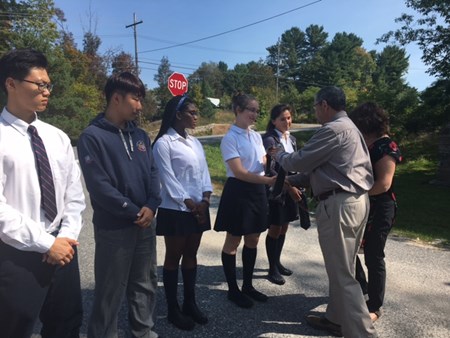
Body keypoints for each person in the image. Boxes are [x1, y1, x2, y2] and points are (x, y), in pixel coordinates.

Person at [272, 86, 377, 337]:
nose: (315, 112)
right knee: (343, 268)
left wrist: (280, 155)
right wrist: (294, 181)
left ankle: (362, 333)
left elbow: (298, 160)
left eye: (315, 107)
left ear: (325, 105)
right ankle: (336, 319)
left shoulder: (333, 129)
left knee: (343, 275)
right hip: (353, 201)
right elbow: (324, 170)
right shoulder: (349, 128)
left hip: (340, 205)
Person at [0, 49, 86, 338]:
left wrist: (65, 237)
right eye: (39, 84)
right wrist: (45, 243)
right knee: (14, 327)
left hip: (63, 249)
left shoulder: (57, 137)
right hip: (17, 255)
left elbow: (74, 196)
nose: (47, 91)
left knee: (67, 325)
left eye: (48, 85)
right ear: (11, 84)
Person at [77, 72, 161, 338]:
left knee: (145, 284)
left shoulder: (141, 136)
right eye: (136, 99)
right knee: (110, 290)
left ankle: (143, 333)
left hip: (145, 224)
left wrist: (151, 204)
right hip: (114, 228)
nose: (140, 106)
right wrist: (134, 211)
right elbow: (99, 187)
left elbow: (153, 172)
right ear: (116, 98)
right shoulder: (92, 136)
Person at [153, 95, 213, 331]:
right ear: (178, 115)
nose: (196, 117)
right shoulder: (164, 143)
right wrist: (190, 203)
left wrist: (206, 199)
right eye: (192, 113)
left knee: (191, 254)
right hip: (176, 209)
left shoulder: (195, 142)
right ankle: (172, 308)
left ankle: (190, 303)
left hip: (199, 207)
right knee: (173, 257)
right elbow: (167, 179)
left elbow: (204, 173)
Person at [214, 93, 276, 309]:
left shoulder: (256, 136)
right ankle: (233, 290)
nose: (255, 114)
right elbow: (239, 172)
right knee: (233, 240)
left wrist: (273, 161)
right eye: (251, 109)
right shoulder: (230, 138)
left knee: (253, 238)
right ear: (238, 110)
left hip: (257, 190)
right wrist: (267, 179)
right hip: (239, 191)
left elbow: (262, 162)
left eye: (257, 110)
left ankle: (248, 285)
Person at [350, 102, 403, 322]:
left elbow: (383, 184)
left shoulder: (386, 146)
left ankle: (375, 305)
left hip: (380, 207)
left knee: (374, 255)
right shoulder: (365, 143)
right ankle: (360, 288)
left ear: (366, 122)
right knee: (351, 251)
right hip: (363, 204)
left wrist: (352, 195)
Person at [262, 104, 301, 285]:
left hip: (291, 185)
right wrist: (287, 185)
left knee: (284, 226)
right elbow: (271, 168)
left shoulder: (291, 139)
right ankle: (272, 268)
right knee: (275, 227)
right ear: (273, 121)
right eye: (283, 119)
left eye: (289, 118)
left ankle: (277, 261)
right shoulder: (270, 140)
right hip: (277, 188)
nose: (287, 122)